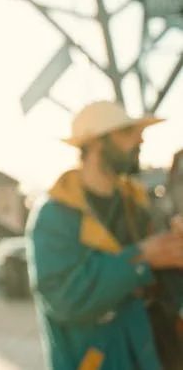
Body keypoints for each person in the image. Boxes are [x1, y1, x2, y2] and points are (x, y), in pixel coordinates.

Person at [27, 100, 183, 370]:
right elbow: (65, 297)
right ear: (97, 143)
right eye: (126, 133)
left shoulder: (136, 205)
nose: (139, 141)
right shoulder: (54, 215)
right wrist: (143, 256)